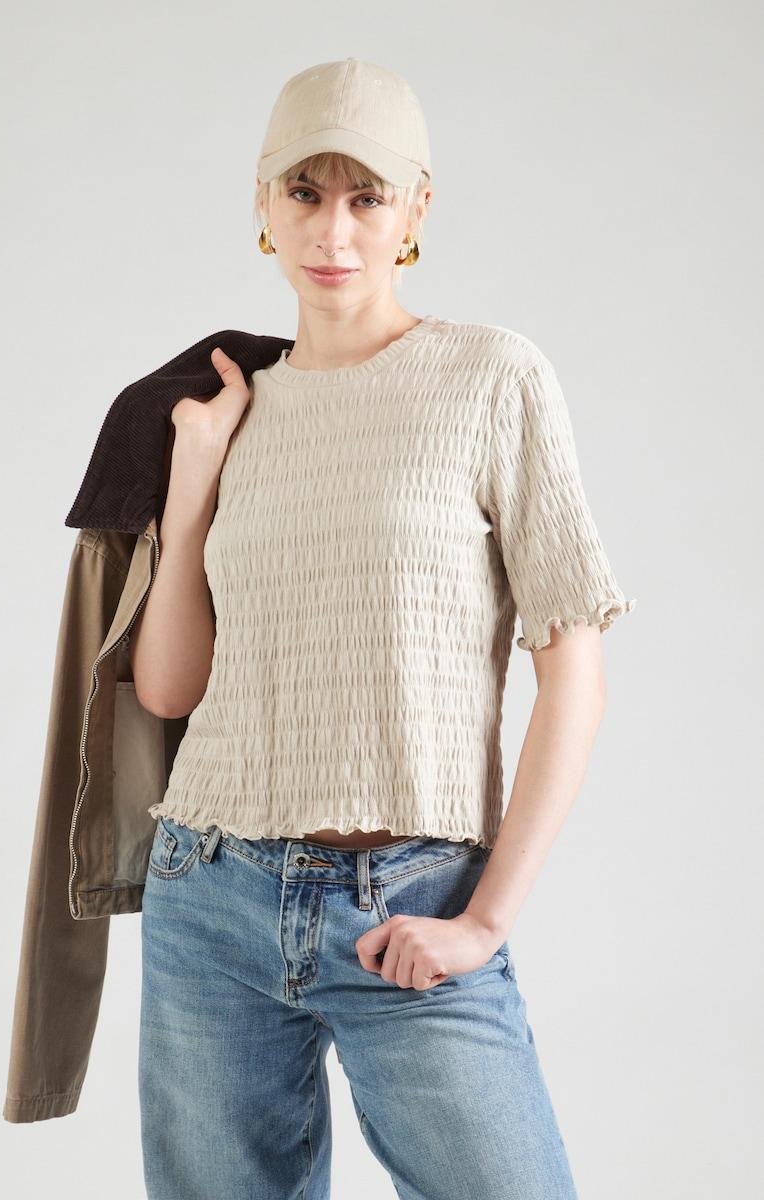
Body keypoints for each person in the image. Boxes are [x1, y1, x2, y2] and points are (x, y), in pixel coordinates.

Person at [130, 57, 635, 1200]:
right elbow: (169, 689)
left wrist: (485, 918)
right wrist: (193, 482)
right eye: (305, 192)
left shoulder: (491, 378)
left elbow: (575, 673)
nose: (334, 231)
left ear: (417, 210)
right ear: (263, 204)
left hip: (413, 901)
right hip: (210, 894)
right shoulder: (228, 410)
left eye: (368, 197)